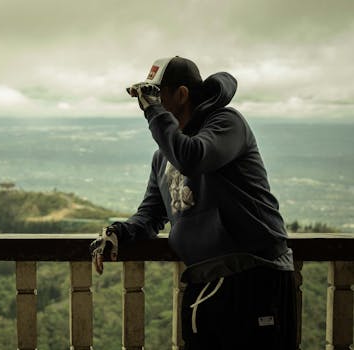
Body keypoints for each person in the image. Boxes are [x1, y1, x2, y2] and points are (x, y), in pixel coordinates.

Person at [90, 56, 297, 349]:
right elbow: (150, 215)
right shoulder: (164, 156)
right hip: (205, 283)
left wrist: (154, 113)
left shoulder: (227, 123)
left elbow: (193, 157)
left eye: (156, 96)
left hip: (255, 278)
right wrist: (119, 232)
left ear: (182, 94)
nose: (148, 105)